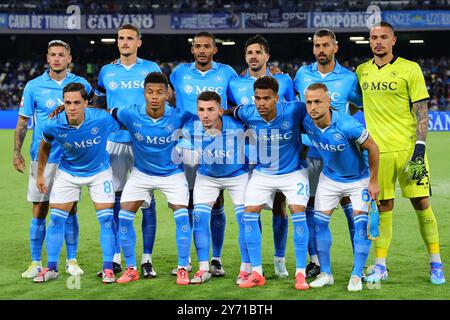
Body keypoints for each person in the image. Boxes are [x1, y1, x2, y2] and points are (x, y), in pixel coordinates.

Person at [356, 21, 445, 285]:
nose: (378, 42)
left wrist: (420, 148)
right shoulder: (362, 72)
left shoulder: (410, 69)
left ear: (393, 40)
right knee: (383, 208)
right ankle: (381, 266)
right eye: (374, 37)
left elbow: (421, 110)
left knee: (422, 203)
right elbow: (348, 102)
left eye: (384, 37)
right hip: (378, 153)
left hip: (408, 151)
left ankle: (436, 264)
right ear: (369, 41)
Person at [13, 40, 91, 279]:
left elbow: (92, 113)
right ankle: (36, 262)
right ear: (47, 58)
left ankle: (72, 260)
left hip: (71, 157)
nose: (57, 59)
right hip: (42, 157)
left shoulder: (81, 84)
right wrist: (16, 151)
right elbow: (24, 121)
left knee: (71, 208)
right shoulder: (33, 86)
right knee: (39, 208)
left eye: (61, 55)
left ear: (69, 58)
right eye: (53, 55)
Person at [227, 76, 310, 290]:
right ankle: (256, 272)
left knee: (298, 213)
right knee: (249, 215)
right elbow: (231, 111)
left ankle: (300, 273)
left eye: (266, 98)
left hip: (293, 172)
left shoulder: (294, 109)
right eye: (257, 98)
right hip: (263, 173)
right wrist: (218, 113)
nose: (261, 103)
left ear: (276, 98)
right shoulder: (248, 112)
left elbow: (316, 113)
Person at [93, 23, 161, 278]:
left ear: (138, 42)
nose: (124, 42)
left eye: (129, 38)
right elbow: (99, 98)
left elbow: (161, 97)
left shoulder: (150, 69)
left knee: (146, 201)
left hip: (143, 141)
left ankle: (146, 260)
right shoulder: (107, 71)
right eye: (120, 38)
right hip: (113, 141)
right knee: (113, 201)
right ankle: (116, 259)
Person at [111, 72, 193, 285]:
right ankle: (131, 268)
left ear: (167, 94)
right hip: (141, 174)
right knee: (125, 214)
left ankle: (183, 267)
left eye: (159, 92)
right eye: (150, 92)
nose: (154, 96)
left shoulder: (180, 116)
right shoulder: (130, 114)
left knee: (182, 216)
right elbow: (104, 113)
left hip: (172, 174)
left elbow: (206, 119)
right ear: (144, 94)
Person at [294, 29, 363, 279]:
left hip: (339, 155)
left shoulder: (349, 79)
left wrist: (343, 126)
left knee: (351, 207)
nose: (320, 50)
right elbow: (295, 105)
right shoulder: (302, 74)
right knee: (311, 206)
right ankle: (315, 262)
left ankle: (360, 262)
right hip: (309, 151)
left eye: (325, 45)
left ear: (336, 47)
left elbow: (360, 104)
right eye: (316, 45)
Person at [33, 83, 118, 284]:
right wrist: (40, 175)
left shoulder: (102, 119)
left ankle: (108, 269)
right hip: (68, 173)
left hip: (99, 172)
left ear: (85, 103)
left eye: (77, 103)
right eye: (68, 103)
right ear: (63, 103)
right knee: (55, 220)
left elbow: (126, 124)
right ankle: (51, 268)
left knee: (106, 220)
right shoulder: (53, 124)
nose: (72, 108)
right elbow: (44, 146)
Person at [169, 31, 238, 276]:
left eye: (206, 46)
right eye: (197, 46)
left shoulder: (228, 73)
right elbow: (170, 100)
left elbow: (234, 105)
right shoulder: (178, 73)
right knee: (186, 202)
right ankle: (186, 259)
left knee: (216, 201)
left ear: (214, 50)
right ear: (192, 49)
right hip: (187, 142)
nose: (201, 50)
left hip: (216, 142)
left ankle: (216, 259)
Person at [227, 35, 296, 278]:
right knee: (249, 209)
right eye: (249, 53)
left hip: (277, 154)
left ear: (267, 56)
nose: (253, 56)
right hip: (246, 154)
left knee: (280, 207)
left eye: (258, 52)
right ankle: (249, 264)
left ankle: (279, 260)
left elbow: (292, 114)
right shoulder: (234, 84)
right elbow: (228, 112)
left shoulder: (284, 81)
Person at [301, 83, 379, 292]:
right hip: (330, 178)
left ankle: (356, 274)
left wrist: (373, 181)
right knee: (319, 224)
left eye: (317, 101)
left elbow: (373, 147)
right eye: (309, 102)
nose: (312, 106)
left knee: (361, 226)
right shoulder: (307, 121)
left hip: (358, 180)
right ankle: (326, 273)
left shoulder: (348, 125)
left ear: (329, 102)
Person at [178, 91, 249, 285]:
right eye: (201, 109)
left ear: (220, 110)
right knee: (199, 218)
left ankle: (246, 268)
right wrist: (184, 151)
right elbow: (182, 148)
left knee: (246, 219)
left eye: (211, 109)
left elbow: (253, 146)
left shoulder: (237, 127)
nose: (205, 114)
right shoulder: (190, 128)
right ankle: (203, 269)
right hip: (207, 176)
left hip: (237, 176)